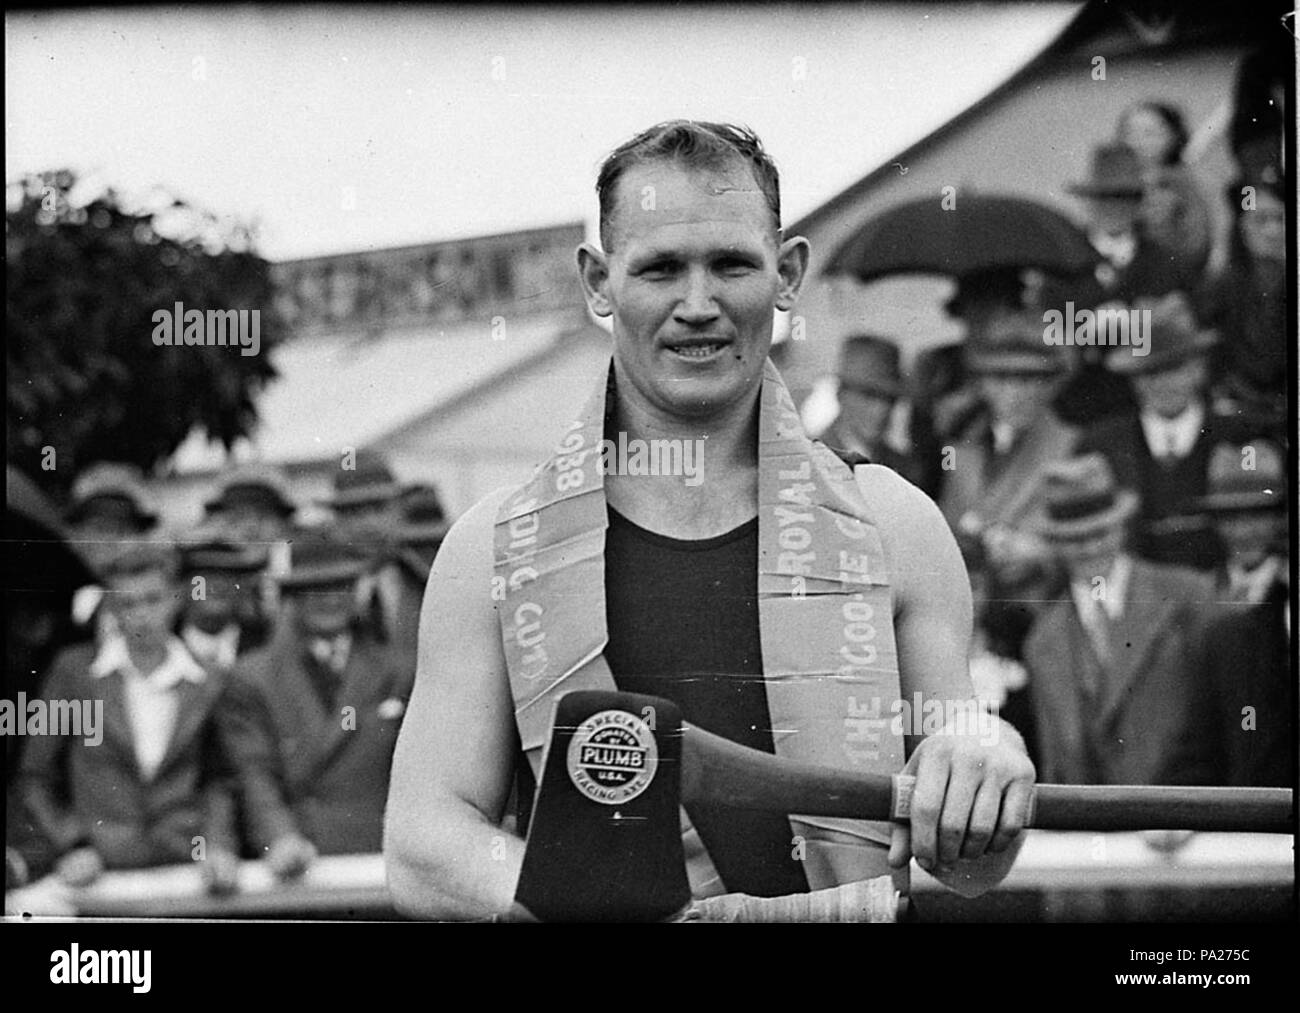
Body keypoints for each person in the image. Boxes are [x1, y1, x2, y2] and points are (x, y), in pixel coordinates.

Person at [384, 120, 1035, 922]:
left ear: (788, 272)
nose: (699, 305)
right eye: (660, 269)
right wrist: (598, 902)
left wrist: (987, 765)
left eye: (731, 264)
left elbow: (971, 864)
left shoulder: (893, 524)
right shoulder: (493, 546)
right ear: (598, 282)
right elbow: (423, 840)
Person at [15, 540, 240, 894]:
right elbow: (35, 776)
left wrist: (218, 845)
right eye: (126, 603)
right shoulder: (74, 672)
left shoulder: (209, 679)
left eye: (153, 599)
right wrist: (72, 843)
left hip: (188, 868)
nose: (141, 615)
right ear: (110, 607)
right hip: (98, 870)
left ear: (177, 598)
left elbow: (219, 779)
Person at [1022, 454, 1218, 786]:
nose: (1089, 548)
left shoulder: (1188, 596)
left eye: (1100, 532)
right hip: (1094, 829)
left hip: (1186, 820)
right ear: (1055, 543)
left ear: (1122, 528)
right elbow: (1055, 763)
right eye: (1073, 538)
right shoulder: (1043, 639)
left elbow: (1221, 719)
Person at [219, 533, 411, 869]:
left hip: (378, 858)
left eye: (341, 587)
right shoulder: (253, 677)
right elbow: (254, 773)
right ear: (292, 597)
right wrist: (280, 839)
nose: (329, 601)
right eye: (314, 590)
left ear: (357, 593)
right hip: (298, 859)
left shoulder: (398, 671)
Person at [1076, 292, 1227, 573]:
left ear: (1198, 369)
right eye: (1149, 373)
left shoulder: (1233, 435)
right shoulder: (1101, 444)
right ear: (1133, 380)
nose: (1163, 383)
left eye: (1175, 368)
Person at [1188, 438, 1290, 788]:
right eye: (1231, 518)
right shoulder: (1198, 594)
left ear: (1279, 519)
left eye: (1257, 516)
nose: (1244, 532)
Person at [1114, 100, 1213, 279]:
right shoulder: (1116, 181)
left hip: (1170, 278)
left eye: (1149, 133)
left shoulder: (1184, 183)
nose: (1138, 142)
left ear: (1174, 136)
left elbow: (1196, 245)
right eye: (1129, 133)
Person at [815, 334, 917, 482]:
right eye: (868, 396)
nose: (881, 410)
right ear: (841, 393)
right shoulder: (813, 461)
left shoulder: (902, 466)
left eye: (890, 399)